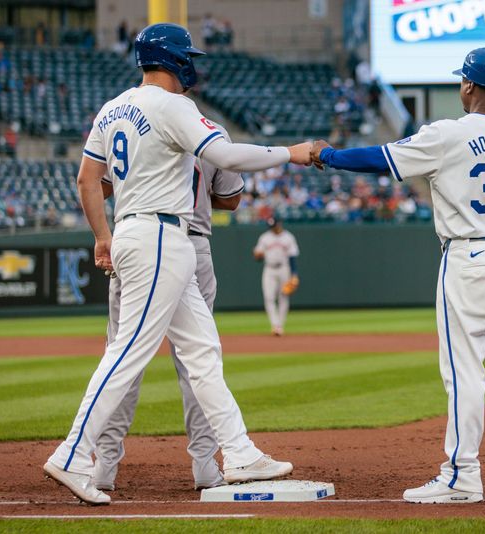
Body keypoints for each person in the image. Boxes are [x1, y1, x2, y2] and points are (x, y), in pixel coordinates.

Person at [43, 23, 313, 505]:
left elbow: (87, 179)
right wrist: (290, 153)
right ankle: (71, 455)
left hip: (139, 231)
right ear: (171, 59)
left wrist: (103, 237)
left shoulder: (113, 107)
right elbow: (224, 155)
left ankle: (241, 452)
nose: (193, 63)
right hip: (160, 236)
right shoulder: (172, 105)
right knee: (126, 353)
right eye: (187, 55)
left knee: (202, 351)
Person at [310, 48, 485, 504]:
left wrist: (329, 155)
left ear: (468, 85)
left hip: (468, 257)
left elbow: (381, 159)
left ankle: (461, 475)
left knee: (464, 371)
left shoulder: (448, 134)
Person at [93, 123, 244, 492]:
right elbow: (233, 198)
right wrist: (201, 192)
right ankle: (206, 466)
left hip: (136, 240)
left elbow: (96, 185)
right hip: (191, 243)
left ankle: (103, 467)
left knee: (122, 355)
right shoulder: (210, 129)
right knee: (197, 361)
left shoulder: (126, 120)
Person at [253, 218, 299, 336]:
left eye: (274, 226)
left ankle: (279, 325)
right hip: (269, 269)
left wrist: (294, 274)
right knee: (269, 297)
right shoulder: (265, 237)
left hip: (284, 268)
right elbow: (257, 256)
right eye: (271, 227)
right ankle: (275, 325)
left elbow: (292, 257)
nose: (273, 228)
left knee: (284, 296)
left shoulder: (288, 237)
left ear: (279, 225)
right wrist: (258, 255)